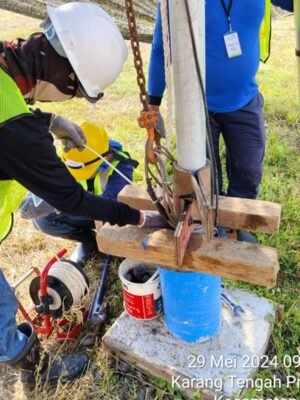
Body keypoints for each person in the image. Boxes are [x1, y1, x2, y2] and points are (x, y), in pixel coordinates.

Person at [0, 2, 163, 388]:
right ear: (64, 73)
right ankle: (37, 375)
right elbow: (74, 200)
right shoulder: (17, 130)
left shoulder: (7, 65)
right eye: (74, 93)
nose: (67, 101)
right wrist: (139, 217)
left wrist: (51, 122)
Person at [147, 0, 294, 240]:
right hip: (197, 108)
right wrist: (153, 103)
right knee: (205, 175)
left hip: (245, 101)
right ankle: (212, 222)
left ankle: (237, 224)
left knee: (248, 169)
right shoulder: (178, 2)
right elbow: (160, 47)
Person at [21, 122, 139, 264]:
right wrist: (37, 196)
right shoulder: (71, 157)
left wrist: (57, 204)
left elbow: (111, 203)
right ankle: (89, 241)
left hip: (113, 216)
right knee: (43, 221)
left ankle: (114, 244)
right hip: (84, 210)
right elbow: (46, 178)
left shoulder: (121, 167)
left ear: (105, 158)